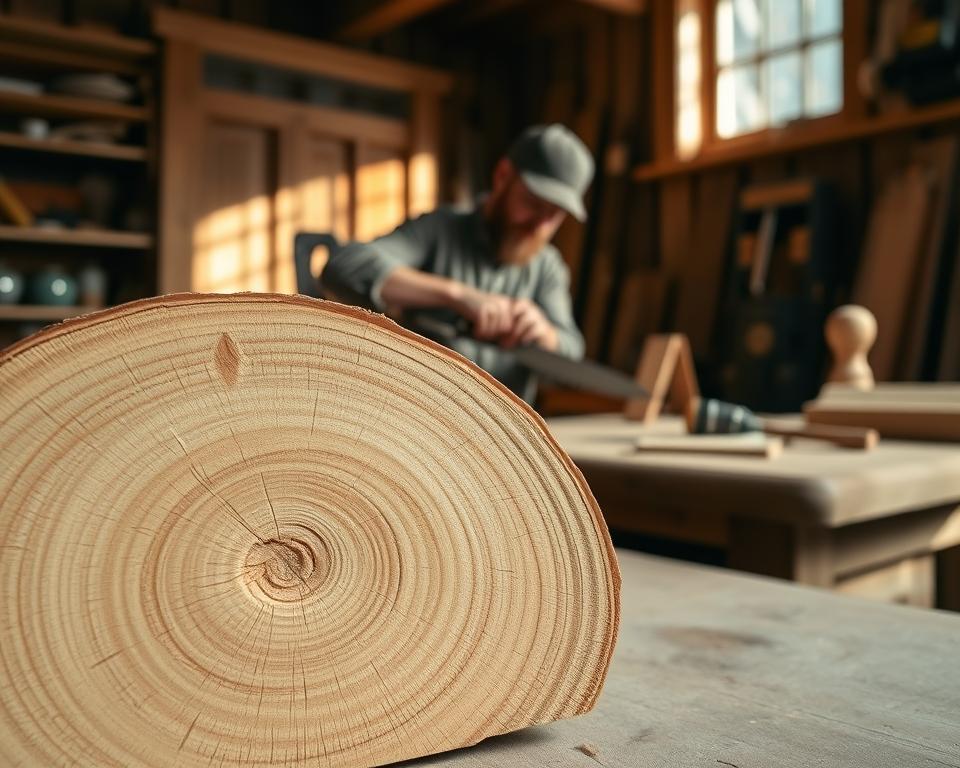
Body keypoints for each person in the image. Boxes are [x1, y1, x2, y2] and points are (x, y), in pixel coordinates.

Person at [322, 123, 594, 404]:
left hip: (504, 437)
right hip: (417, 420)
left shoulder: (547, 266)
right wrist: (456, 295)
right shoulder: (440, 230)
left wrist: (544, 333)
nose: (540, 224)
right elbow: (345, 266)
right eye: (534, 203)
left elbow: (572, 351)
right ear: (503, 176)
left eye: (555, 215)